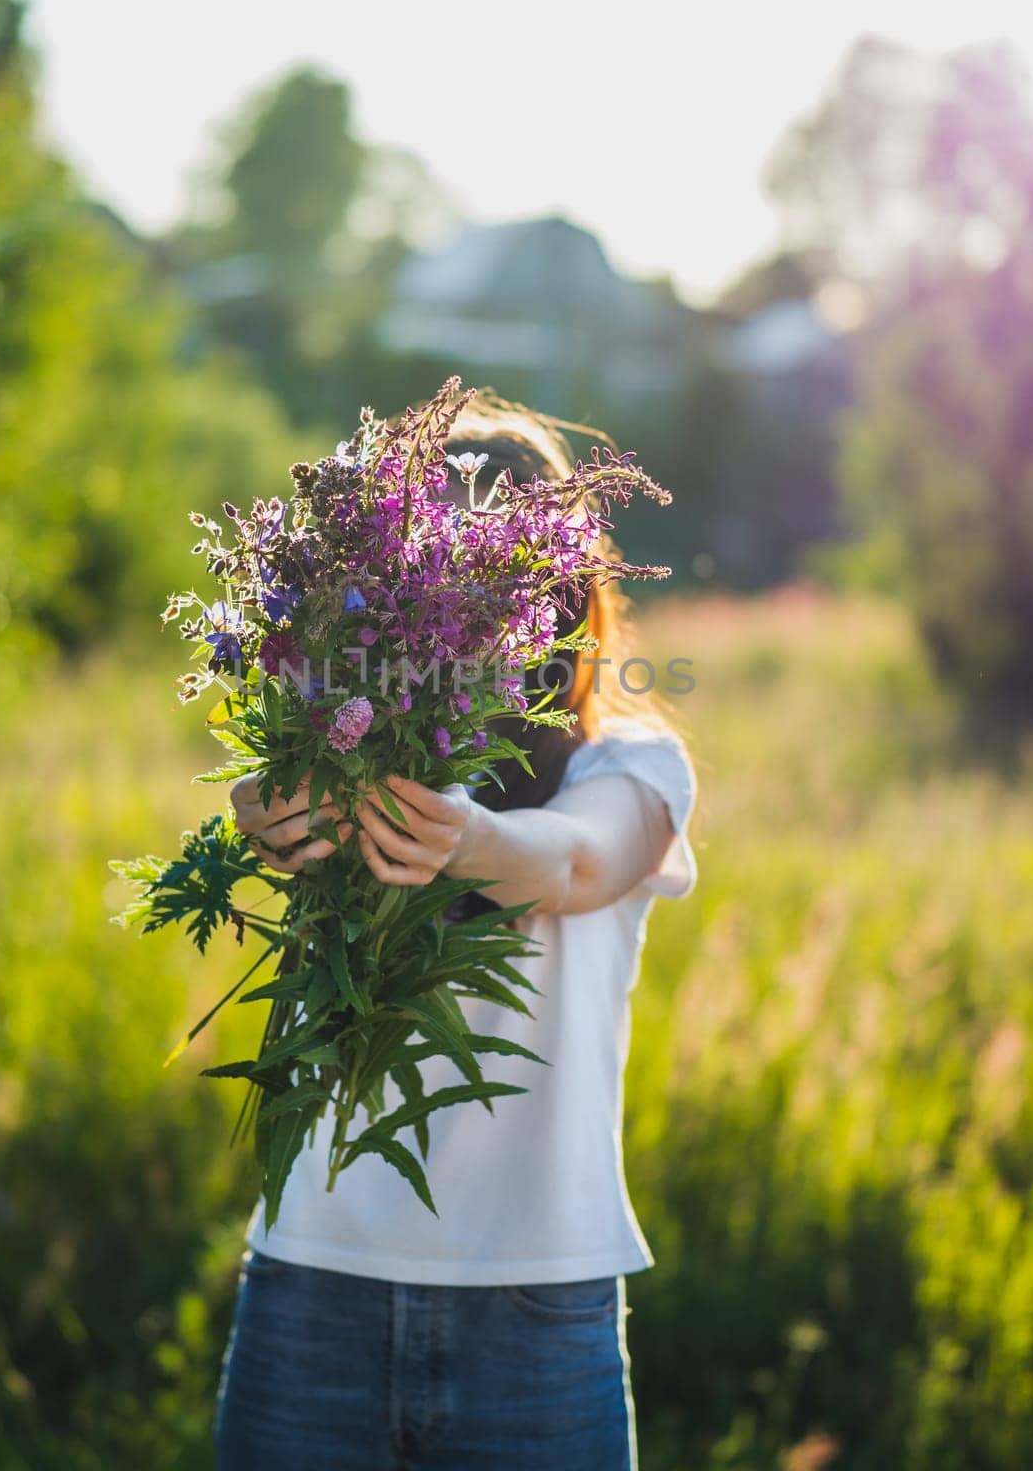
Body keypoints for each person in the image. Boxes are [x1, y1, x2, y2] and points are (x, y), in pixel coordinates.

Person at [214, 392, 699, 1470]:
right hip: (311, 1283)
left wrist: (466, 837)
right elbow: (259, 806)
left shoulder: (630, 763)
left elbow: (573, 858)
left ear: (560, 597)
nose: (463, 610)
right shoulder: (337, 742)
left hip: (537, 1310)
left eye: (500, 580)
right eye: (432, 579)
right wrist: (269, 799)